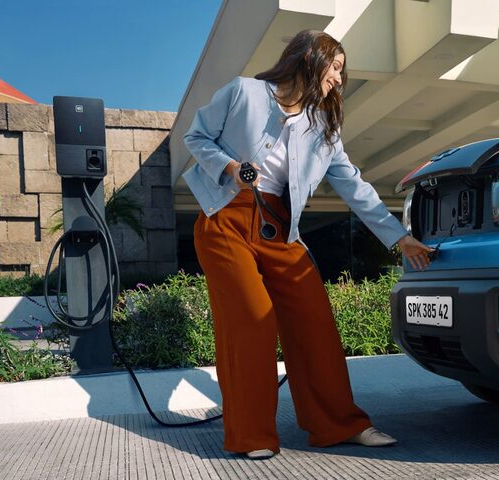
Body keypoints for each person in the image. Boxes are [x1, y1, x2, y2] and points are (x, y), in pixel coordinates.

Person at [181, 30, 433, 460]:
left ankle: (338, 425)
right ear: (310, 58)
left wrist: (399, 236)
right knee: (252, 319)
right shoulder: (244, 92)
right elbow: (196, 137)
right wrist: (230, 166)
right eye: (334, 67)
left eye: (341, 72)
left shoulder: (323, 131)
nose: (338, 78)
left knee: (315, 321)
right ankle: (251, 435)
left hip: (280, 227)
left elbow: (355, 186)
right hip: (225, 217)